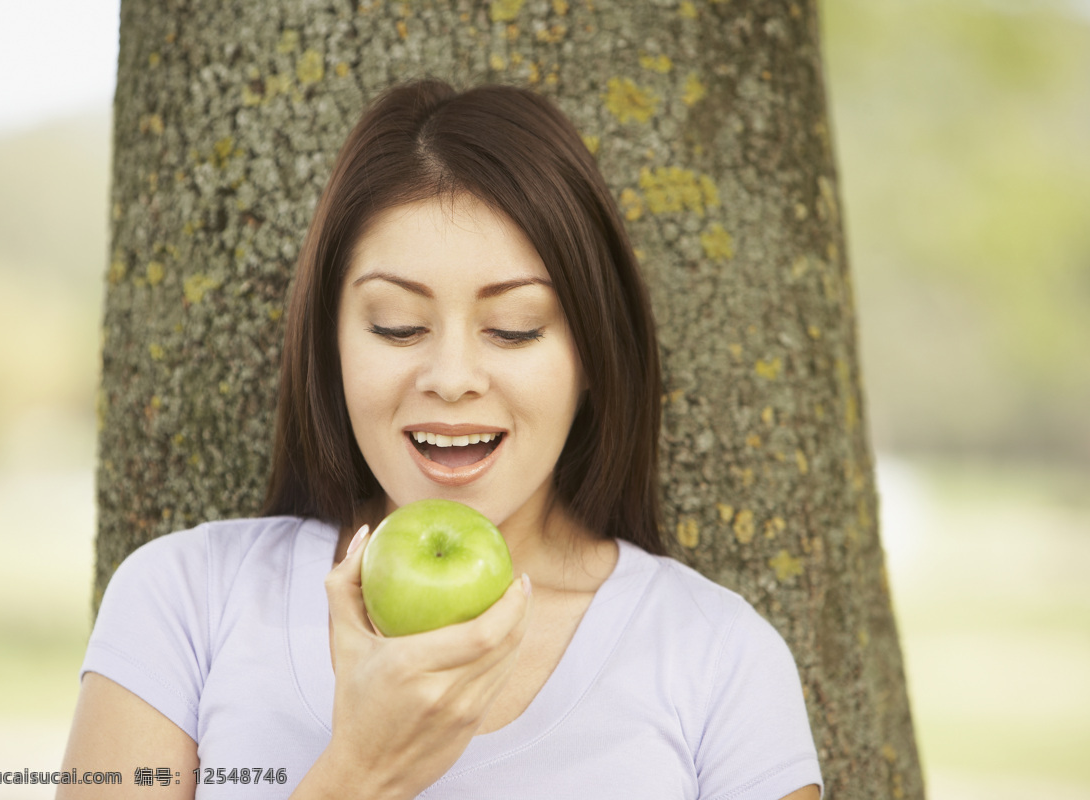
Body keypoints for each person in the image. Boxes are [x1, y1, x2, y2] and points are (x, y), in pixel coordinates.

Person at [58, 79, 824, 799]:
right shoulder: (186, 599)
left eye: (515, 329)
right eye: (397, 325)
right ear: (330, 345)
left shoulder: (718, 656)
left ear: (592, 352)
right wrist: (359, 774)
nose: (452, 377)